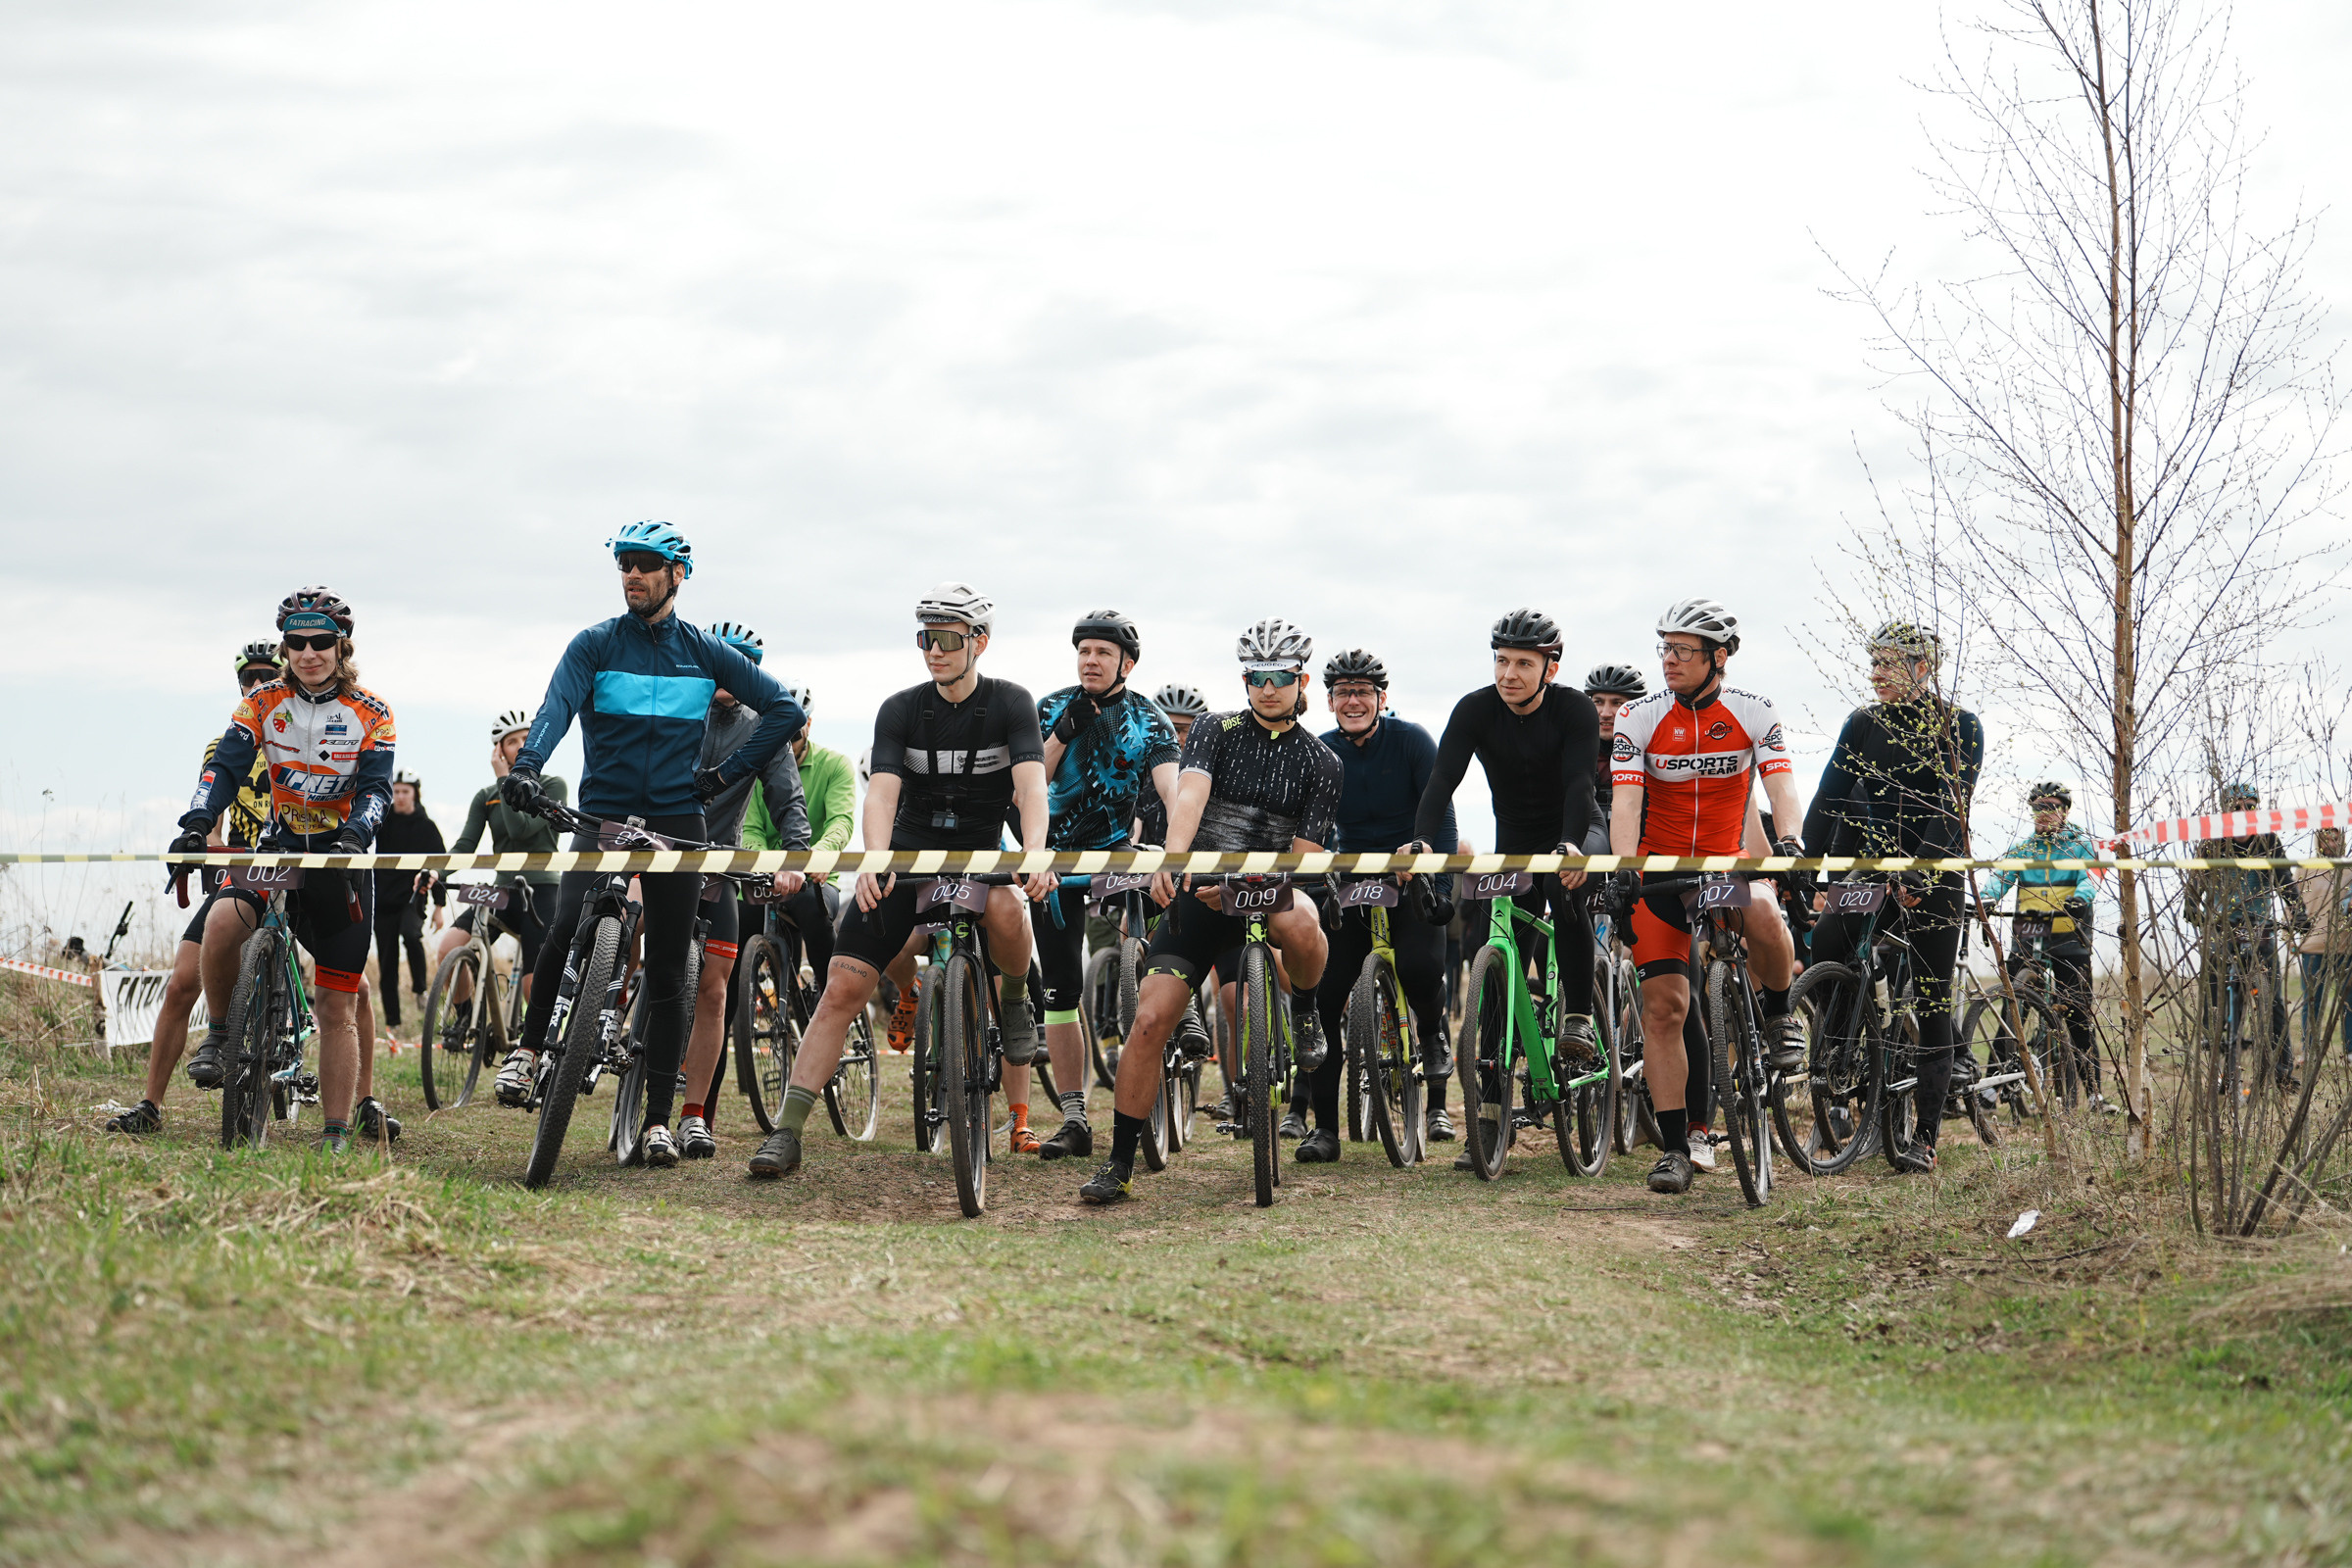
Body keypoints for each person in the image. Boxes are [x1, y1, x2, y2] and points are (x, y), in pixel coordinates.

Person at [492, 522, 806, 1169]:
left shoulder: (705, 652)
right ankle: (526, 1050)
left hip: (676, 821)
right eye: (624, 564)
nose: (632, 574)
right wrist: (529, 765)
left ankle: (659, 1120)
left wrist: (725, 773)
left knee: (668, 970)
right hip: (602, 810)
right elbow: (555, 707)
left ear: (677, 574)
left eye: (645, 564)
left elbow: (783, 712)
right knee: (564, 925)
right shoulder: (596, 643)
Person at [749, 582, 1050, 1180]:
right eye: (924, 639)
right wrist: (877, 859)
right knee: (839, 987)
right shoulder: (900, 708)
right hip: (908, 859)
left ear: (979, 642)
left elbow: (1032, 787)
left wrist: (1036, 853)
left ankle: (1012, 1002)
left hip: (979, 855)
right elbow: (881, 795)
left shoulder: (1013, 703)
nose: (932, 651)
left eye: (944, 640)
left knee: (1011, 912)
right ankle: (787, 1131)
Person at [1077, 618, 1343, 1204]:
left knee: (1303, 919)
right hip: (1202, 894)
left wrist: (1262, 880)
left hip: (1269, 890)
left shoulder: (1322, 761)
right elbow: (1191, 795)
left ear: (1301, 680)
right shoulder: (1214, 730)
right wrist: (1175, 860)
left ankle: (1304, 1009)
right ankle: (1119, 1163)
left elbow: (1305, 855)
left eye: (1279, 678)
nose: (1266, 688)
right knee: (1148, 1021)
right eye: (1255, 677)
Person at [168, 588, 397, 1153]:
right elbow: (226, 764)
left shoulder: (373, 711)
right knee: (222, 924)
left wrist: (354, 834)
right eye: (296, 642)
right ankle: (221, 1036)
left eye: (321, 642)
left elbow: (376, 788)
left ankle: (337, 1130)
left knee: (337, 1003)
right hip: (278, 847)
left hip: (340, 858)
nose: (308, 652)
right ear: (286, 646)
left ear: (341, 647)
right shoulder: (261, 702)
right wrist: (200, 819)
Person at [1609, 598, 1802, 1195]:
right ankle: (1675, 1149)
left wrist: (1790, 840)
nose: (1669, 660)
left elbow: (1781, 784)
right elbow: (1626, 802)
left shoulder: (1754, 712)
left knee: (1766, 911)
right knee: (1663, 1009)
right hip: (1662, 871)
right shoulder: (1638, 718)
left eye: (1682, 651)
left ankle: (1778, 1014)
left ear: (1720, 658)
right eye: (1664, 648)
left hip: (1727, 864)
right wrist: (1623, 868)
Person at [1411, 610, 1601, 1172]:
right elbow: (1442, 780)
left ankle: (1579, 1020)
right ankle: (1488, 1128)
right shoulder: (1474, 709)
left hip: (1572, 827)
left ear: (1551, 667)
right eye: (1501, 661)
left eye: (1523, 663)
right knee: (1499, 972)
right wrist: (1422, 841)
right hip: (1513, 837)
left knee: (1566, 900)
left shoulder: (1574, 709)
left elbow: (1578, 783)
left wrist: (1571, 847)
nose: (1509, 673)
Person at [1801, 622, 1984, 1171]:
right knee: (1829, 938)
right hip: (1873, 867)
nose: (1876, 673)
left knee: (1930, 995)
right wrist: (1801, 863)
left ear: (1923, 666)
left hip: (1934, 869)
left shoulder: (1961, 725)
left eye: (1889, 662)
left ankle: (1924, 1136)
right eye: (1873, 661)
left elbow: (1953, 810)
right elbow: (1830, 795)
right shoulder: (1863, 723)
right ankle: (1840, 1065)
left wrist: (1921, 875)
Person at [106, 641, 282, 1134]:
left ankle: (361, 1104)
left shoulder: (303, 742)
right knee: (183, 981)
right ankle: (150, 1106)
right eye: (250, 679)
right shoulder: (226, 744)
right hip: (241, 873)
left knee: (353, 988)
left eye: (270, 676)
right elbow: (211, 818)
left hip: (296, 869)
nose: (258, 685)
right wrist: (209, 846)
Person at [1025, 612, 1182, 1160]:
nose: (1091, 660)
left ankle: (1178, 1009)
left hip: (1120, 852)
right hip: (1057, 859)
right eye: (1084, 651)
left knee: (1163, 916)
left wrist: (1175, 853)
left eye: (1103, 653)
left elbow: (1172, 792)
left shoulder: (1149, 719)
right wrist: (1060, 735)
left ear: (1126, 663)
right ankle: (1074, 1119)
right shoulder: (1049, 707)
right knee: (1061, 992)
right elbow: (1027, 787)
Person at [1305, 649, 1455, 1163]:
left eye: (1363, 691)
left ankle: (1433, 1037)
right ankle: (1325, 1128)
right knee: (1325, 998)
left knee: (1419, 966)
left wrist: (1434, 874)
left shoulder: (1412, 741)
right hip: (1349, 879)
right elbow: (1309, 830)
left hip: (1408, 873)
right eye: (1343, 692)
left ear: (1381, 698)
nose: (1353, 700)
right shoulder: (1319, 751)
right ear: (1328, 700)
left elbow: (1443, 816)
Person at [672, 622, 810, 1159]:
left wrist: (795, 858)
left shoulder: (763, 728)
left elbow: (788, 801)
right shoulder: (682, 709)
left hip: (717, 869)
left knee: (714, 990)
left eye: (742, 662)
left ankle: (695, 1117)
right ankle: (602, 1005)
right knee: (630, 923)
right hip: (658, 856)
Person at [431, 710, 570, 1022]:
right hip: (502, 892)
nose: (521, 746)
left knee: (533, 988)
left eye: (526, 739)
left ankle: (537, 1052)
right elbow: (465, 846)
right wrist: (435, 873)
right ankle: (468, 1021)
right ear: (499, 750)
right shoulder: (486, 796)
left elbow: (521, 830)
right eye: (512, 741)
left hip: (543, 892)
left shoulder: (553, 786)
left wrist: (505, 780)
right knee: (448, 950)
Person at [1982, 782, 2104, 1107]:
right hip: (2028, 933)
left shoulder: (2080, 846)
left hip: (2069, 935)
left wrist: (2081, 897)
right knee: (2013, 1007)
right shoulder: (2024, 850)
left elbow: (2091, 876)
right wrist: (1986, 899)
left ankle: (2094, 1093)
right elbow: (2000, 877)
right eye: (2038, 807)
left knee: (2077, 1014)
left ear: (2064, 811)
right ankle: (1991, 1088)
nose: (2044, 813)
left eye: (2051, 806)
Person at [2185, 782, 2309, 1087]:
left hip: (2260, 927)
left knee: (2274, 1003)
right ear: (2225, 810)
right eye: (2236, 806)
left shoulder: (2267, 839)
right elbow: (2195, 883)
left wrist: (2299, 913)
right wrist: (2191, 907)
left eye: (2249, 806)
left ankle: (2282, 1072)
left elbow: (2284, 880)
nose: (2243, 811)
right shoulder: (2212, 841)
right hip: (2221, 927)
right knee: (2216, 1000)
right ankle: (2220, 1066)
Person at [742, 682, 856, 1000]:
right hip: (766, 874)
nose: (786, 744)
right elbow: (748, 829)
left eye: (793, 735)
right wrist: (762, 864)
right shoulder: (755, 766)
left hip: (816, 878)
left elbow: (840, 821)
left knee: (809, 905)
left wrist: (819, 855)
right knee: (737, 918)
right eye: (778, 734)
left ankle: (831, 998)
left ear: (808, 724)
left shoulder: (835, 766)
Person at [370, 768, 446, 1041]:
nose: (400, 796)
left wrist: (439, 907)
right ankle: (393, 1024)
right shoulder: (382, 821)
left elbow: (440, 865)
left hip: (414, 897)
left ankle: (420, 990)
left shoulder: (427, 826)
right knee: (387, 961)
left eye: (406, 791)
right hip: (383, 900)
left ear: (415, 793)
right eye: (397, 791)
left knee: (412, 935)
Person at [2296, 826, 2350, 1061]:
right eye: (2327, 838)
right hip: (2313, 946)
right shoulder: (2305, 868)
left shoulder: (2349, 869)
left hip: (2345, 946)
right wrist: (2292, 934)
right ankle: (2310, 1050)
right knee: (2313, 1002)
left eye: (2337, 838)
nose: (2332, 842)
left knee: (2349, 1000)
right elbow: (2292, 904)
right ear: (2319, 840)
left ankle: (2350, 1050)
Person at [1138, 684, 1209, 846]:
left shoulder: (1214, 776)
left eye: (1185, 730)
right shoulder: (1138, 772)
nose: (1175, 738)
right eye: (1167, 728)